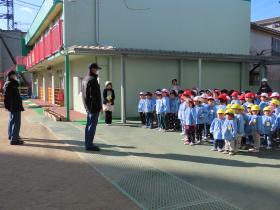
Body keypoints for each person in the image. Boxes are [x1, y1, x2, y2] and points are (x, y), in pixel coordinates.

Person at [81, 63, 102, 151]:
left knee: (88, 125)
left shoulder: (85, 79)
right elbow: (94, 96)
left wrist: (86, 107)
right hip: (93, 107)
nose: (97, 70)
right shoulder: (92, 80)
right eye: (96, 69)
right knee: (92, 126)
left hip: (88, 107)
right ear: (92, 69)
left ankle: (88, 143)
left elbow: (83, 95)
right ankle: (89, 145)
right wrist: (99, 106)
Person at [3, 70, 24, 145]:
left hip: (13, 105)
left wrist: (7, 106)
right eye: (14, 75)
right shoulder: (10, 84)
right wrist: (8, 106)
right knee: (16, 122)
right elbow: (6, 96)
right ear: (11, 75)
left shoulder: (9, 83)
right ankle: (14, 139)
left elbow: (6, 96)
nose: (15, 76)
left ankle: (11, 135)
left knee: (12, 121)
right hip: (15, 105)